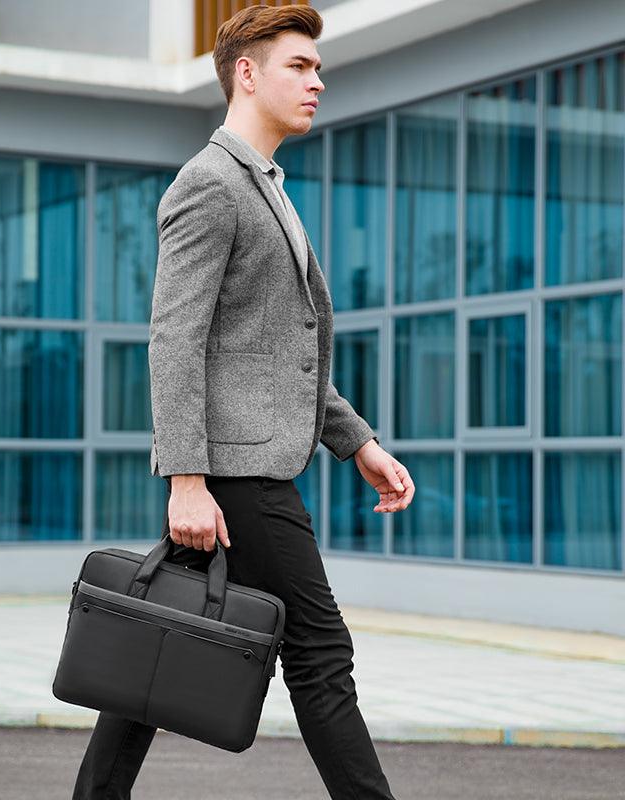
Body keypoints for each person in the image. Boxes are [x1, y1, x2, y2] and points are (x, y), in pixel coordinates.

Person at [72, 5, 414, 799]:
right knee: (321, 652)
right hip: (235, 478)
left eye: (319, 67)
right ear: (248, 74)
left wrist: (357, 442)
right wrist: (186, 479)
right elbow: (176, 340)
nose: (318, 81)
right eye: (300, 65)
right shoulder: (209, 184)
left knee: (153, 643)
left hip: (237, 472)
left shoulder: (268, 189)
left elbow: (274, 355)